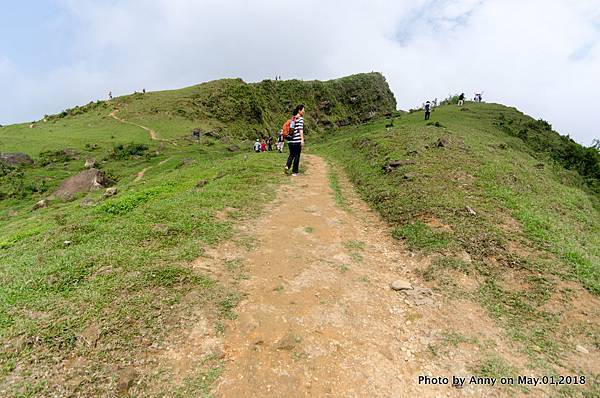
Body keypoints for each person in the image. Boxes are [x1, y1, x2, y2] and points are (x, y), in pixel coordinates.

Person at [285, 104, 305, 176]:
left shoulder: (293, 118)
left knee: (291, 154)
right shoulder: (300, 119)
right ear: (299, 110)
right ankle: (295, 172)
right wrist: (302, 140)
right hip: (296, 141)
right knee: (297, 155)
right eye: (303, 110)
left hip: (290, 140)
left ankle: (287, 166)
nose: (304, 111)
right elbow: (300, 130)